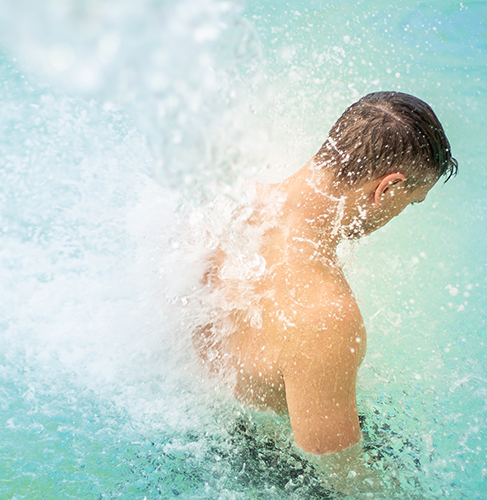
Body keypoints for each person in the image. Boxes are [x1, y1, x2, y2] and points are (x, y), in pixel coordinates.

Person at [193, 91, 457, 492]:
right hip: (262, 472)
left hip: (204, 438)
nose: (399, 214)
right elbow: (344, 482)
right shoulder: (326, 316)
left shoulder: (223, 207)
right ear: (388, 188)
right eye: (411, 202)